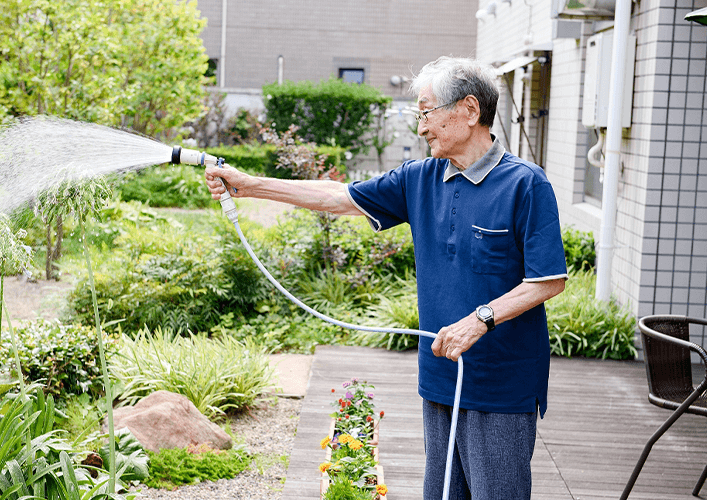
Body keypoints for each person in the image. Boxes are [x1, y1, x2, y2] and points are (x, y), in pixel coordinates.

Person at [204, 56, 567, 500]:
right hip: (439, 376)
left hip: (502, 387)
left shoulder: (526, 184)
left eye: (427, 113)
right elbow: (338, 197)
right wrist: (251, 184)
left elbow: (548, 280)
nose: (421, 128)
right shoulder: (420, 179)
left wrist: (480, 319)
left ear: (470, 111)